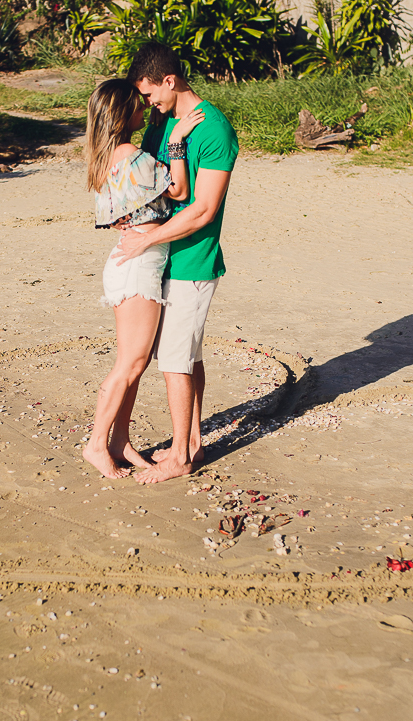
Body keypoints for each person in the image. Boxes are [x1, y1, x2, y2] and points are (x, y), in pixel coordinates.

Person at [115, 42, 239, 485]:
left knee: (174, 361)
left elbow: (203, 209)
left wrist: (144, 242)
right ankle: (192, 440)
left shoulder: (215, 129)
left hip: (192, 260)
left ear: (170, 80)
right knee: (188, 355)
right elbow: (163, 186)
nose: (148, 103)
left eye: (150, 94)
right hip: (162, 259)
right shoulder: (163, 125)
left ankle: (182, 458)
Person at [81, 78, 204, 479]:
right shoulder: (135, 157)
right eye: (139, 105)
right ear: (123, 115)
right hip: (139, 265)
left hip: (126, 261)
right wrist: (177, 141)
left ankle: (118, 441)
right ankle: (97, 443)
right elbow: (181, 189)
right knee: (130, 364)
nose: (145, 109)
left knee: (135, 360)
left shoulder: (103, 158)